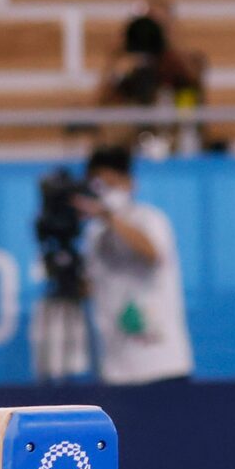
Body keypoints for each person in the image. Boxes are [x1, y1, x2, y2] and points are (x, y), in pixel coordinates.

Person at [73, 143, 192, 385]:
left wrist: (108, 215)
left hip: (163, 363)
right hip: (116, 370)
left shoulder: (151, 219)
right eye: (99, 185)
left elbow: (151, 252)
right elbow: (89, 287)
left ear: (131, 183)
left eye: (112, 183)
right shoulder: (94, 234)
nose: (106, 192)